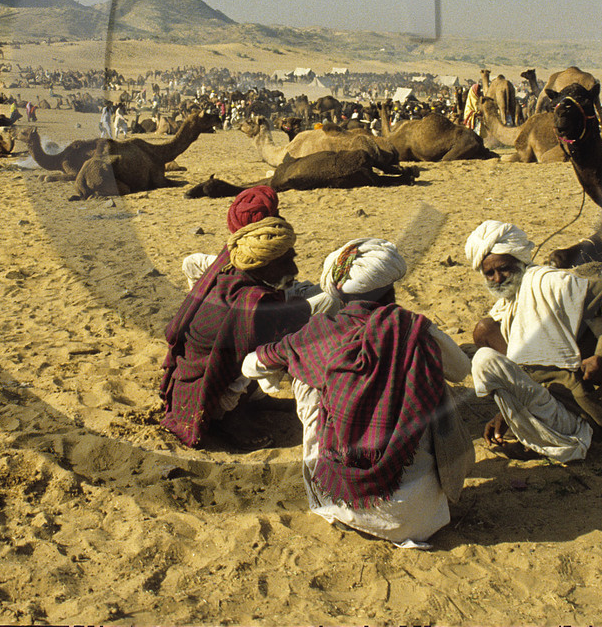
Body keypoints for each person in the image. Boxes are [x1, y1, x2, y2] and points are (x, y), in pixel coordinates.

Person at [243, 238, 472, 547]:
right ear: (392, 290)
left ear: (337, 293)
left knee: (305, 372)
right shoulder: (414, 329)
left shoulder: (317, 333)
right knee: (424, 368)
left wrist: (281, 368)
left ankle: (329, 479)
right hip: (420, 519)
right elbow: (461, 370)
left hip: (337, 503)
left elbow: (252, 365)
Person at [464, 220, 602, 463]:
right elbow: (526, 376)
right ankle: (540, 440)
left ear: (520, 261)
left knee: (485, 361)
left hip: (582, 405)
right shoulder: (506, 308)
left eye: (504, 269)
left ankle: (563, 442)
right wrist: (505, 414)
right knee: (484, 330)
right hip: (547, 400)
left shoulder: (551, 284)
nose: (497, 278)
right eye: (489, 273)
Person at [159, 189, 309, 449]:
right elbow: (237, 355)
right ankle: (230, 417)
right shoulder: (252, 302)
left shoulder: (236, 257)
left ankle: (255, 399)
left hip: (207, 358)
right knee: (267, 349)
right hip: (210, 374)